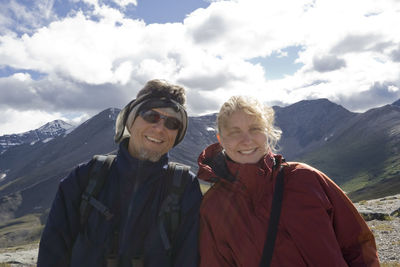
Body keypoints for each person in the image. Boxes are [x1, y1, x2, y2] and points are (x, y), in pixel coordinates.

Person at [197, 95, 380, 267]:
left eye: (255, 129)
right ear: (221, 139)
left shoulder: (306, 178)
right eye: (234, 132)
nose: (247, 140)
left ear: (267, 132)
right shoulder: (213, 207)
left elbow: (358, 243)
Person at [37, 79, 202, 267]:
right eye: (150, 116)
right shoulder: (86, 177)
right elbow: (52, 253)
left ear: (177, 134)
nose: (159, 128)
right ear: (130, 120)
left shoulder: (185, 188)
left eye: (172, 123)